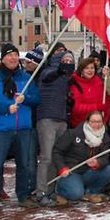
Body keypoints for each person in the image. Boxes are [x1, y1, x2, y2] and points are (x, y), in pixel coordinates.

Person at [0, 43, 41, 216]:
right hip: (1, 128)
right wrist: (6, 108)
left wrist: (26, 98)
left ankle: (23, 195)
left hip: (23, 127)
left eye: (15, 55)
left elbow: (37, 98)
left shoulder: (26, 77)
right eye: (9, 55)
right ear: (3, 58)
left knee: (25, 164)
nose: (13, 58)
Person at [35, 50, 76, 203]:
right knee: (46, 157)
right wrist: (59, 70)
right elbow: (47, 77)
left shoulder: (68, 78)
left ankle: (51, 189)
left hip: (61, 119)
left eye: (70, 61)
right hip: (47, 118)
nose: (67, 63)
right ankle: (41, 192)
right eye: (65, 60)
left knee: (57, 156)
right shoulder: (50, 71)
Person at [52, 110, 110, 204]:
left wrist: (98, 162)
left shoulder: (105, 137)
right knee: (76, 194)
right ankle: (60, 191)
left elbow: (105, 158)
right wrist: (62, 168)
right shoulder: (73, 134)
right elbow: (57, 151)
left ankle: (91, 193)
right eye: (93, 121)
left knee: (109, 171)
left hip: (88, 172)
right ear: (87, 122)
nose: (96, 124)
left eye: (99, 121)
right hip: (71, 172)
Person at [68, 57, 110, 128]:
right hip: (81, 126)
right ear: (81, 70)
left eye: (92, 68)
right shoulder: (75, 84)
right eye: (86, 68)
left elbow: (106, 102)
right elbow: (76, 108)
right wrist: (96, 107)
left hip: (99, 125)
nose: (90, 70)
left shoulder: (99, 82)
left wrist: (105, 119)